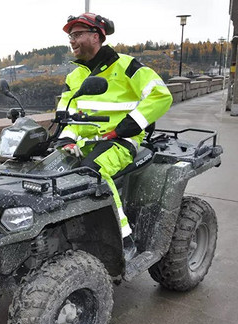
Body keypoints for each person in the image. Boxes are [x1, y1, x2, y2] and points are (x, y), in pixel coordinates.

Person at [56, 13, 173, 258]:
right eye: (70, 36)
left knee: (94, 173)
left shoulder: (126, 65)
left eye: (77, 35)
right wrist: (66, 138)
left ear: (96, 36)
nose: (72, 41)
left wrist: (129, 126)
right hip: (84, 142)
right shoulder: (74, 76)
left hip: (119, 140)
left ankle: (123, 237)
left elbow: (161, 95)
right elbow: (66, 114)